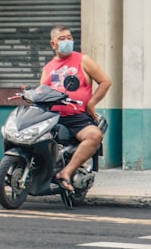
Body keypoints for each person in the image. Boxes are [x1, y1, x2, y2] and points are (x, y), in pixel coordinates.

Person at [39, 25, 112, 192]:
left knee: (94, 135)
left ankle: (66, 172)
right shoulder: (48, 68)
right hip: (53, 117)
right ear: (53, 44)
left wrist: (91, 104)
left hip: (77, 117)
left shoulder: (82, 60)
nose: (67, 41)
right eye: (62, 39)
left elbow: (105, 81)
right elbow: (41, 92)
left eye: (69, 38)